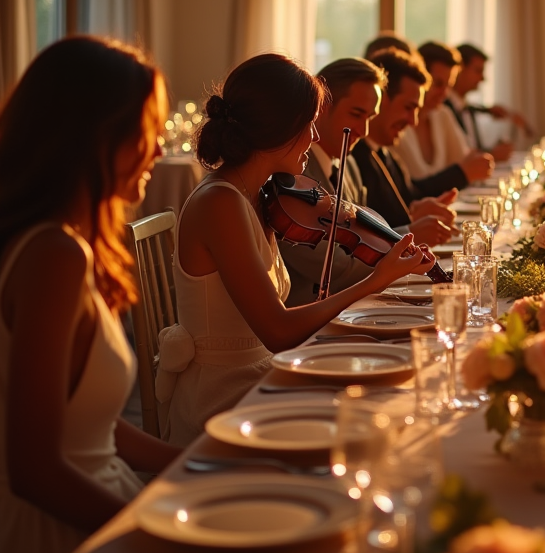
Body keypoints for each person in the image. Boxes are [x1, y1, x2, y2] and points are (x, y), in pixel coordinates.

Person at [0, 37, 181, 553]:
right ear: (93, 136)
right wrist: (156, 536)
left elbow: (89, 424)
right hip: (49, 546)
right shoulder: (54, 255)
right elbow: (34, 470)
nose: (157, 150)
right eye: (144, 131)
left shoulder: (60, 245)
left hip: (83, 509)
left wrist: (198, 459)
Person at [157, 53, 428, 446]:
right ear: (279, 128)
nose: (316, 137)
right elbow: (278, 331)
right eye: (309, 124)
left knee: (385, 392)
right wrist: (374, 280)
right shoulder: (221, 203)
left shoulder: (261, 195)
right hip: (224, 398)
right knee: (370, 419)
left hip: (261, 375)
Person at [280, 56, 454, 306]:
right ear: (321, 106)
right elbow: (337, 270)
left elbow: (361, 240)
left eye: (370, 117)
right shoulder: (292, 179)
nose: (363, 131)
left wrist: (403, 239)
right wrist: (405, 239)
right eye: (356, 114)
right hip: (312, 318)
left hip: (354, 308)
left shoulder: (347, 163)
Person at [354, 47, 481, 228]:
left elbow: (408, 199)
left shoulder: (383, 153)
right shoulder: (355, 156)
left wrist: (419, 209)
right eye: (408, 107)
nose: (413, 122)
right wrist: (411, 223)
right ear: (380, 99)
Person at [393, 41, 494, 182]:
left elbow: (465, 161)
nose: (444, 94)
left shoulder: (442, 114)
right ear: (420, 78)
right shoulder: (397, 122)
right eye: (438, 84)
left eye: (449, 86)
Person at [452, 42, 531, 161]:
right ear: (459, 69)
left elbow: (472, 148)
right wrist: (492, 155)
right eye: (478, 71)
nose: (483, 78)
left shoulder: (466, 107)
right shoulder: (444, 108)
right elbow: (458, 156)